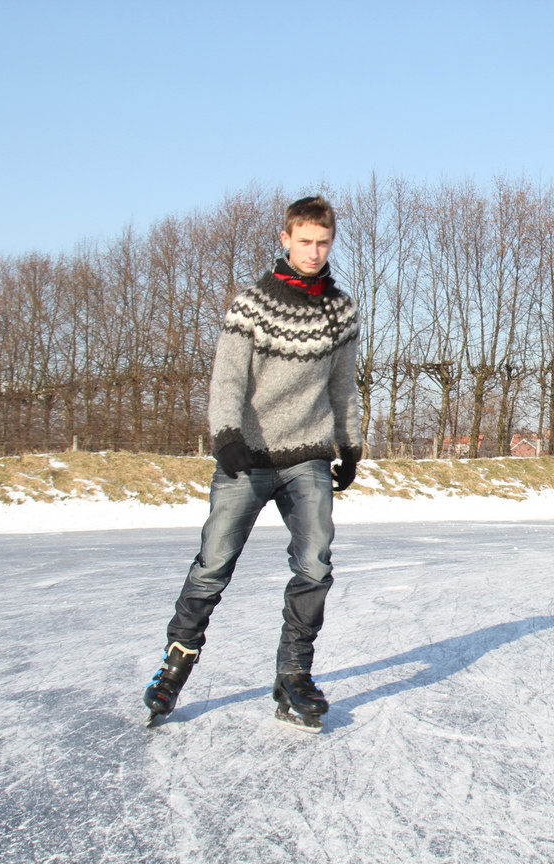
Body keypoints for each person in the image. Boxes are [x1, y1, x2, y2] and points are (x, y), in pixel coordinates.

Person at [143, 195, 363, 731]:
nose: (313, 252)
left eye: (323, 243)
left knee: (315, 564)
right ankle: (175, 663)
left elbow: (342, 385)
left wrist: (350, 445)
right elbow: (227, 377)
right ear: (285, 240)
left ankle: (294, 675)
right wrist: (225, 435)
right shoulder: (252, 304)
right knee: (214, 563)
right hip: (247, 458)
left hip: (308, 455)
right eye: (304, 241)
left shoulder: (341, 310)